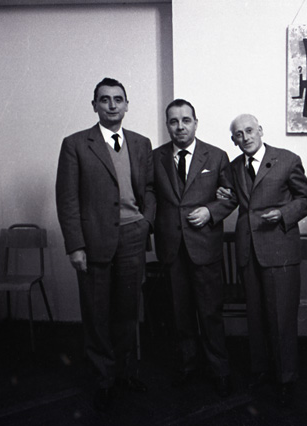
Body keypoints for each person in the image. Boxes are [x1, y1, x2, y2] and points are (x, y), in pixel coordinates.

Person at [55, 77, 155, 412]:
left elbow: (150, 189)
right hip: (93, 241)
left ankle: (126, 373)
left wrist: (145, 223)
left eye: (118, 99)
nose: (112, 105)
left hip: (132, 238)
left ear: (127, 105)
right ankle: (104, 380)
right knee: (97, 314)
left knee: (128, 312)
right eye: (105, 99)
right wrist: (75, 245)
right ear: (95, 105)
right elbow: (67, 198)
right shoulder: (75, 144)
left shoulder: (141, 143)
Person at [217, 114, 307, 405]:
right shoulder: (234, 167)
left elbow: (306, 198)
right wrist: (222, 195)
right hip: (248, 250)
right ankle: (260, 371)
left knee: (281, 318)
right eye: (238, 134)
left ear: (260, 131)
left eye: (249, 131)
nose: (245, 137)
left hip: (279, 250)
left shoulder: (287, 159)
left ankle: (286, 377)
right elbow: (232, 199)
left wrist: (283, 214)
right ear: (233, 140)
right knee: (256, 317)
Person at [152, 99, 235, 397]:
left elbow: (231, 196)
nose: (180, 127)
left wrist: (210, 211)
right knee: (180, 313)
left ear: (196, 123)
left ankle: (219, 369)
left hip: (204, 246)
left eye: (186, 120)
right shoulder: (155, 157)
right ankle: (187, 366)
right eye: (174, 121)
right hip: (171, 247)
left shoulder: (217, 156)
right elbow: (149, 195)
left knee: (210, 312)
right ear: (167, 125)